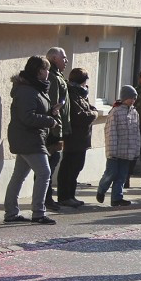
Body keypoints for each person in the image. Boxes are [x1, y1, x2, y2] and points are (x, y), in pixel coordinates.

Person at [3, 56, 58, 225]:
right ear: (37, 71)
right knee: (44, 173)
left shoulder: (35, 88)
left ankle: (11, 212)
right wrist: (49, 120)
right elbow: (27, 117)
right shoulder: (27, 90)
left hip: (30, 136)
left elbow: (36, 111)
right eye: (45, 69)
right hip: (28, 137)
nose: (48, 72)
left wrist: (52, 113)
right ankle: (38, 212)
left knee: (19, 175)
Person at [57, 67, 98, 207]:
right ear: (81, 81)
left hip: (82, 138)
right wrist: (94, 114)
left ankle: (71, 195)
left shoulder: (81, 94)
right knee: (70, 168)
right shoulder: (72, 94)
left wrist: (92, 111)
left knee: (76, 168)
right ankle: (65, 196)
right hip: (74, 138)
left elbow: (90, 108)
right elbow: (81, 116)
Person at [96, 86, 141, 206]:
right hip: (115, 151)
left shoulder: (134, 113)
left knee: (122, 176)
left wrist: (136, 150)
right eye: (131, 98)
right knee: (111, 173)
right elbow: (111, 132)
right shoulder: (115, 112)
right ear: (124, 98)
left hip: (127, 152)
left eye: (134, 98)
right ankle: (102, 189)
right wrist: (111, 151)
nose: (133, 100)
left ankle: (117, 198)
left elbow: (136, 133)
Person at [44, 47, 71, 212]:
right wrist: (57, 132)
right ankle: (45, 199)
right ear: (54, 59)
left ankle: (47, 198)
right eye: (64, 57)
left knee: (51, 165)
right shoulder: (53, 78)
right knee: (48, 166)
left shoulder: (58, 76)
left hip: (59, 128)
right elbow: (54, 108)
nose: (66, 61)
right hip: (53, 131)